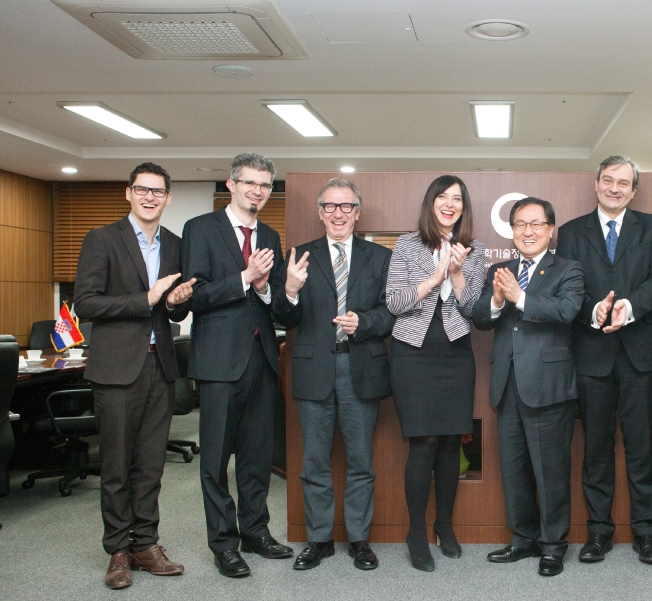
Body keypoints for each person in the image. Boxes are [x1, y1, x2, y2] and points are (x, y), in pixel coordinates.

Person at [74, 162, 195, 589]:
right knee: (116, 466)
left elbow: (174, 308)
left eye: (158, 192)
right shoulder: (102, 239)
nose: (150, 197)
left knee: (150, 465)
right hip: (116, 368)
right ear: (128, 193)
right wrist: (145, 298)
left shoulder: (176, 245)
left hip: (159, 366)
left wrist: (178, 301)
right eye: (142, 190)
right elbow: (85, 303)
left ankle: (146, 544)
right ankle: (117, 551)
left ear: (167, 198)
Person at [273, 178, 394, 571]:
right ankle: (319, 539)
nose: (338, 213)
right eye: (330, 206)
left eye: (345, 207)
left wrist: (365, 321)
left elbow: (390, 313)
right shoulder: (299, 256)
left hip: (359, 365)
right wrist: (289, 290)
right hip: (313, 368)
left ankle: (359, 539)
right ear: (320, 212)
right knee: (314, 461)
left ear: (357, 212)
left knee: (361, 460)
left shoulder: (379, 257)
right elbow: (283, 316)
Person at [555, 155, 652, 564]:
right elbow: (565, 283)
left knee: (642, 450)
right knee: (596, 450)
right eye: (608, 180)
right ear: (597, 183)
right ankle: (598, 533)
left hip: (639, 355)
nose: (615, 188)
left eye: (624, 183)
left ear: (634, 190)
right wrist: (594, 311)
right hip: (591, 356)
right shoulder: (570, 232)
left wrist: (627, 306)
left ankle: (646, 534)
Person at [181, 152, 291, 577]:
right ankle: (224, 544)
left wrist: (265, 289)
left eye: (264, 185)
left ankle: (256, 532)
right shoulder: (200, 230)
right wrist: (244, 278)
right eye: (250, 183)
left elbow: (276, 304)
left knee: (256, 457)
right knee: (215, 462)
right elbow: (195, 295)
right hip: (218, 364)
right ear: (231, 184)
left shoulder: (270, 235)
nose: (257, 191)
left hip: (261, 362)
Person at [474, 197, 584, 577]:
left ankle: (553, 546)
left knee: (550, 470)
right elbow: (482, 319)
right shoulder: (500, 269)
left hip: (548, 386)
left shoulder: (568, 269)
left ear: (551, 229)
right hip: (507, 385)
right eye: (520, 224)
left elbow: (567, 311)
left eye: (537, 224)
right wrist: (496, 299)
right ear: (512, 230)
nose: (528, 231)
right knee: (514, 469)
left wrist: (519, 297)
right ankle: (523, 539)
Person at [385, 175, 486, 572]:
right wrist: (434, 277)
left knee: (449, 442)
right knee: (423, 442)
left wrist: (458, 273)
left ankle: (444, 524)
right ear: (431, 203)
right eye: (442, 197)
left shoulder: (473, 251)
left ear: (464, 207)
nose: (449, 204)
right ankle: (415, 531)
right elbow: (394, 303)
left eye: (456, 198)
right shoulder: (408, 245)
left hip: (456, 354)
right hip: (413, 353)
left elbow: (474, 310)